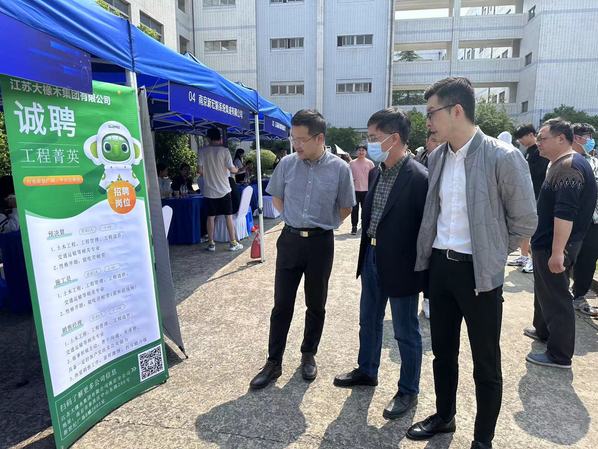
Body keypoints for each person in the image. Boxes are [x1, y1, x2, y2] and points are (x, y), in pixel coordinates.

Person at [408, 77, 537, 449]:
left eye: (431, 112)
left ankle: (482, 439)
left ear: (456, 110)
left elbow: (525, 220)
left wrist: (492, 252)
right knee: (443, 352)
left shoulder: (502, 156)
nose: (427, 121)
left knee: (486, 362)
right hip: (440, 268)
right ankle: (444, 416)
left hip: (479, 273)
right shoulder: (436, 157)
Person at [249, 109, 355, 389]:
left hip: (321, 243)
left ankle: (308, 353)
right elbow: (277, 196)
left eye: (301, 139)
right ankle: (273, 362)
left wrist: (323, 224)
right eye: (293, 138)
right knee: (282, 304)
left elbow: (345, 207)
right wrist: (292, 219)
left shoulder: (340, 169)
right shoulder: (287, 164)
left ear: (319, 138)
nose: (296, 145)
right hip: (290, 241)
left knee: (316, 303)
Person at [333, 108, 427, 421]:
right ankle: (367, 370)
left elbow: (424, 230)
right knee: (368, 320)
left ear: (394, 138)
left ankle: (408, 389)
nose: (369, 143)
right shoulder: (376, 172)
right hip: (371, 256)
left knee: (405, 331)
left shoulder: (419, 178)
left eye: (374, 137)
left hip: (401, 264)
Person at [524, 118, 597, 369]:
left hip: (556, 245)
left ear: (561, 138)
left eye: (543, 138)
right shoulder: (561, 163)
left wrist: (557, 252)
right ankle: (543, 330)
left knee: (556, 297)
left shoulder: (568, 167)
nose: (538, 143)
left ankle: (560, 354)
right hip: (548, 242)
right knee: (544, 291)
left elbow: (565, 213)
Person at [511, 124, 549, 274]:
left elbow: (537, 173)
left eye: (521, 137)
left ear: (531, 134)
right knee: (525, 227)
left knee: (535, 229)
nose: (519, 140)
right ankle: (524, 256)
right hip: (529, 194)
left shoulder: (540, 152)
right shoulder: (529, 151)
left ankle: (534, 260)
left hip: (538, 195)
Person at [197, 127, 242, 252]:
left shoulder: (202, 151)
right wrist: (238, 170)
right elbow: (232, 169)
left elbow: (199, 171)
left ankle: (211, 244)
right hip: (224, 189)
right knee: (228, 216)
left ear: (208, 138)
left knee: (210, 217)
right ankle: (233, 243)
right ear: (219, 138)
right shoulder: (224, 151)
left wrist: (209, 173)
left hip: (209, 190)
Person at [570, 123, 598, 316]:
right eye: (587, 137)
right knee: (568, 259)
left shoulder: (593, 161)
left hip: (594, 221)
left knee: (588, 259)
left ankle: (579, 294)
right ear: (576, 138)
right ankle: (564, 296)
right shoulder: (567, 161)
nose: (590, 141)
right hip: (573, 221)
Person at [349, 145, 375, 235]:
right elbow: (348, 176)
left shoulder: (370, 163)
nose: (361, 152)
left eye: (363, 150)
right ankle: (354, 226)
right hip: (354, 190)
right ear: (356, 152)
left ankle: (364, 225)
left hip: (366, 190)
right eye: (359, 150)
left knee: (366, 209)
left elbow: (373, 177)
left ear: (366, 152)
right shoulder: (351, 163)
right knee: (354, 209)